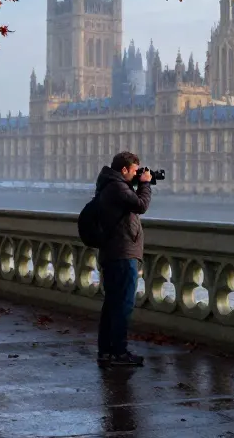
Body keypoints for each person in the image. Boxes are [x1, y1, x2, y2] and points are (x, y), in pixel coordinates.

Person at [94, 151, 153, 368]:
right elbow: (141, 205)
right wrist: (145, 185)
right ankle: (118, 352)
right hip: (122, 252)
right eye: (136, 171)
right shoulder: (117, 187)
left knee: (112, 304)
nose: (139, 174)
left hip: (114, 251)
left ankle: (106, 351)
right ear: (124, 170)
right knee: (123, 305)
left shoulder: (110, 185)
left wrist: (136, 183)